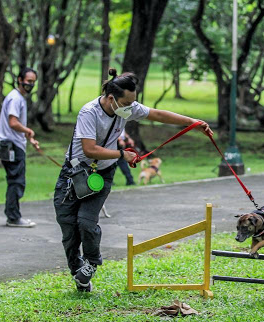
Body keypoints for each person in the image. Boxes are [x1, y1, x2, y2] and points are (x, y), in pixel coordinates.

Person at [53, 68, 212, 292]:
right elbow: (89, 149)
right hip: (74, 173)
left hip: (101, 174)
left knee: (86, 222)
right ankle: (78, 271)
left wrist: (193, 122)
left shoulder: (126, 108)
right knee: (68, 225)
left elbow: (158, 114)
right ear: (111, 99)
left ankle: (91, 262)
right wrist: (121, 155)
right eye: (127, 103)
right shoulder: (89, 112)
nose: (131, 107)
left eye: (133, 103)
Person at [0, 67, 40, 228]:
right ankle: (13, 217)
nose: (31, 84)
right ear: (20, 80)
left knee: (15, 181)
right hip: (11, 146)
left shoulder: (18, 97)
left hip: (14, 144)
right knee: (16, 181)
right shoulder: (15, 98)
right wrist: (28, 130)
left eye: (33, 82)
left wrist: (29, 138)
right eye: (28, 81)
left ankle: (13, 215)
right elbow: (13, 122)